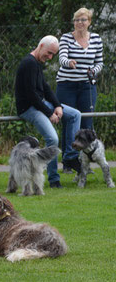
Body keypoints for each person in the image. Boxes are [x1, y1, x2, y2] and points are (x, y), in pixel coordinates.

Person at [14, 35, 82, 188]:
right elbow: (31, 95)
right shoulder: (28, 63)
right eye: (49, 53)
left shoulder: (37, 63)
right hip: (28, 108)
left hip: (40, 104)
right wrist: (49, 113)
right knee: (52, 138)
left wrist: (57, 106)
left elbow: (45, 88)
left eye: (53, 54)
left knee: (74, 115)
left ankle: (70, 155)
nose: (50, 57)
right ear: (41, 45)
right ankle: (53, 179)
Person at [56, 8, 103, 172]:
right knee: (69, 122)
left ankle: (86, 162)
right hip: (66, 85)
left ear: (89, 22)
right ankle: (68, 162)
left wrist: (94, 71)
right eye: (77, 20)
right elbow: (61, 58)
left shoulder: (96, 39)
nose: (79, 23)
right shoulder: (66, 38)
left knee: (87, 123)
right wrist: (69, 63)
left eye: (83, 20)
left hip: (87, 86)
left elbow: (99, 62)